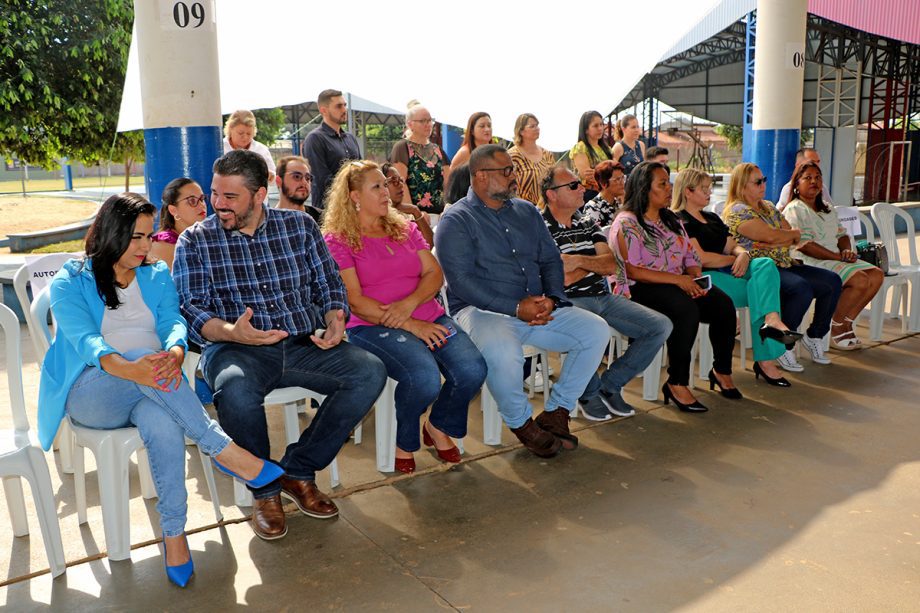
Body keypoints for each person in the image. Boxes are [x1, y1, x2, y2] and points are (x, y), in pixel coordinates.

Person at [37, 193, 284, 587]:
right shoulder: (74, 277)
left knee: (162, 420)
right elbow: (85, 340)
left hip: (152, 385)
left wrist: (172, 349)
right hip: (92, 390)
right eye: (135, 237)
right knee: (141, 356)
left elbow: (172, 321)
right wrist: (131, 365)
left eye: (149, 237)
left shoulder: (155, 274)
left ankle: (174, 534)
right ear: (111, 233)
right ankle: (222, 448)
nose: (144, 246)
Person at [173, 150, 387, 541]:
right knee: (235, 391)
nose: (218, 204)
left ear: (259, 195)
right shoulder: (196, 240)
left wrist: (334, 317)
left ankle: (299, 470)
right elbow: (190, 308)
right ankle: (265, 491)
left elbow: (329, 284)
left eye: (230, 196)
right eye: (215, 194)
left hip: (305, 342)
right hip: (237, 349)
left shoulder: (300, 226)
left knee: (369, 370)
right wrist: (230, 331)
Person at [435, 144, 610, 457]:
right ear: (480, 177)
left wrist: (553, 299)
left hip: (535, 308)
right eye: (505, 171)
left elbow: (550, 260)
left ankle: (557, 412)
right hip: (481, 312)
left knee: (596, 330)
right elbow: (462, 283)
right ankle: (520, 422)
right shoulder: (456, 220)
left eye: (512, 169)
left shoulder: (526, 211)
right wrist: (517, 308)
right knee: (504, 352)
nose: (513, 176)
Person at [322, 161, 487, 474]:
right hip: (371, 326)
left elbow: (434, 273)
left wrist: (409, 306)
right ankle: (405, 441)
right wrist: (410, 324)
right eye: (377, 187)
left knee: (472, 369)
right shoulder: (338, 240)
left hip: (426, 315)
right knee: (422, 378)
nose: (387, 192)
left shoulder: (405, 228)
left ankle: (438, 424)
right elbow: (355, 301)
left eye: (386, 185)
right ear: (354, 196)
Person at [541, 165, 671, 419]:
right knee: (590, 329)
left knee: (660, 326)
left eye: (580, 183)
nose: (581, 188)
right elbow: (559, 279)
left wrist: (577, 261)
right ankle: (587, 393)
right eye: (573, 185)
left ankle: (610, 386)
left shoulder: (587, 221)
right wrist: (591, 263)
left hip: (603, 296)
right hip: (567, 301)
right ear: (551, 194)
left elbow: (611, 264)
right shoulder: (540, 226)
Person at [611, 162, 740, 411]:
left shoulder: (671, 219)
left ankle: (721, 370)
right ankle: (677, 382)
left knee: (722, 304)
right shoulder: (627, 223)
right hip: (638, 288)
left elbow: (691, 256)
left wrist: (694, 277)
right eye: (662, 184)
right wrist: (680, 280)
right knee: (685, 309)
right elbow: (632, 270)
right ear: (644, 189)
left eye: (669, 182)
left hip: (675, 283)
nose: (670, 188)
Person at [672, 168, 804, 387]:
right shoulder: (679, 220)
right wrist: (735, 259)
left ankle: (771, 320)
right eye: (704, 189)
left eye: (709, 188)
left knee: (765, 264)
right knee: (761, 292)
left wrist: (743, 254)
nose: (709, 193)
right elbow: (702, 259)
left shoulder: (711, 218)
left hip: (730, 271)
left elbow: (732, 245)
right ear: (688, 191)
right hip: (704, 277)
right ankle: (766, 360)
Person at [723, 163, 843, 372]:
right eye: (758, 182)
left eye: (764, 180)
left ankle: (814, 335)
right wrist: (777, 238)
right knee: (800, 287)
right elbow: (774, 235)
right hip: (761, 269)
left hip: (785, 263)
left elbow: (794, 234)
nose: (763, 185)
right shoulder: (737, 211)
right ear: (742, 186)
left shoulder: (768, 206)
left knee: (831, 281)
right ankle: (783, 343)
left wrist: (777, 239)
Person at [782, 161, 883, 350]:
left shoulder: (827, 207)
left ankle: (845, 323)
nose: (814, 181)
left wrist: (845, 250)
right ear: (797, 184)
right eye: (808, 178)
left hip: (834, 257)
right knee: (860, 280)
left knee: (876, 275)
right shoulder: (794, 209)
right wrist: (838, 257)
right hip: (810, 261)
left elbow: (842, 234)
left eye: (818, 178)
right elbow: (805, 245)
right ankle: (835, 328)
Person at [301, 89, 362, 210]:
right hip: (329, 211)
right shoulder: (314, 139)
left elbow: (361, 170)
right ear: (323, 110)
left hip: (355, 207)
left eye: (345, 105)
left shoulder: (350, 138)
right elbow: (322, 180)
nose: (344, 110)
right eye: (339, 106)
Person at [389, 103, 452, 215]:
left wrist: (448, 210)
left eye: (429, 120)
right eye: (423, 121)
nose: (428, 124)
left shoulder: (438, 150)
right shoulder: (402, 147)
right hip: (416, 216)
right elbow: (400, 184)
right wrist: (413, 214)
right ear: (410, 124)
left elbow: (448, 183)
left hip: (440, 214)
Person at [149, 178, 207, 270]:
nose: (202, 205)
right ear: (173, 210)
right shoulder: (163, 246)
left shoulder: (206, 234)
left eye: (202, 199)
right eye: (192, 200)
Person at [508, 113, 556, 207]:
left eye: (537, 125)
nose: (537, 128)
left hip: (547, 208)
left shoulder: (547, 154)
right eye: (532, 126)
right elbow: (507, 186)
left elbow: (555, 181)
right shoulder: (512, 156)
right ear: (521, 131)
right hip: (522, 209)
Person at [381, 161, 434, 246]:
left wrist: (416, 211)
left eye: (401, 180)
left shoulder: (408, 215)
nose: (400, 185)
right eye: (393, 180)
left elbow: (428, 245)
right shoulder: (377, 218)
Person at [569, 110, 613, 198]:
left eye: (601, 124)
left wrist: (598, 173)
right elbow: (587, 176)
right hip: (589, 194)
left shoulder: (607, 148)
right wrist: (608, 175)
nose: (600, 128)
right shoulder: (580, 147)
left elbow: (616, 170)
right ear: (586, 130)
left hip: (608, 192)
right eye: (595, 126)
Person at [223, 110, 276, 182]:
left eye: (249, 134)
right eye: (240, 133)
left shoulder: (261, 150)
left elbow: (273, 177)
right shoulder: (220, 148)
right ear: (230, 129)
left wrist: (270, 176)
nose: (245, 137)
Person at [275, 155, 322, 224]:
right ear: (279, 181)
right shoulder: (265, 223)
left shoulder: (324, 219)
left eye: (307, 178)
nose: (304, 182)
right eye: (297, 176)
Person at [581, 161, 626, 229]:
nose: (622, 182)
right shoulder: (592, 207)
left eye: (623, 178)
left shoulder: (619, 202)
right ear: (603, 184)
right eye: (617, 179)